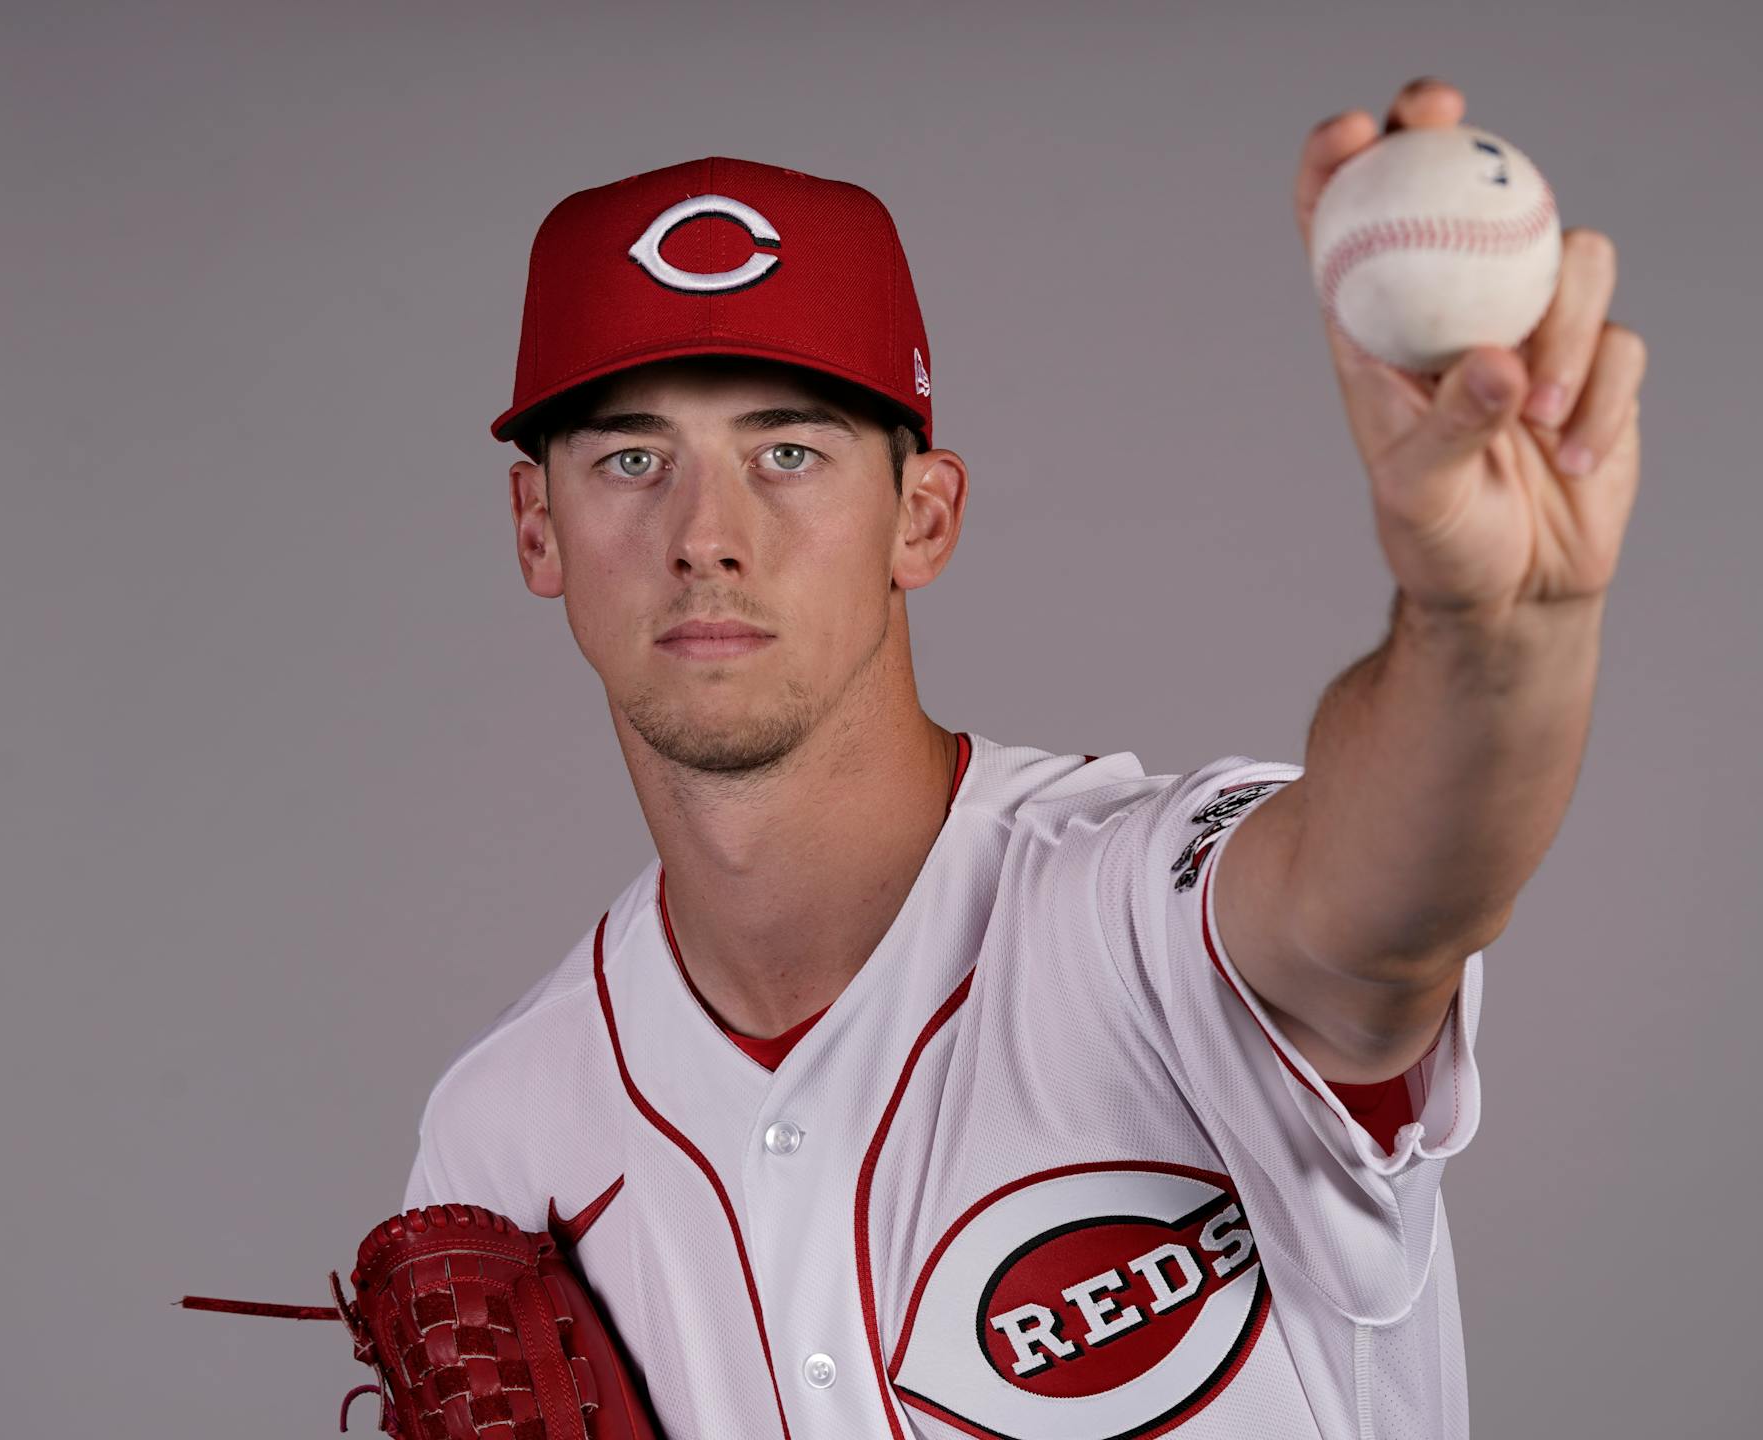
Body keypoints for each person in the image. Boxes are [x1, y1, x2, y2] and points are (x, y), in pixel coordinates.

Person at [405, 76, 1645, 1440]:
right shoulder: (504, 1133)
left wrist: (1492, 633)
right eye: (631, 460)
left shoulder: (1144, 919)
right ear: (537, 527)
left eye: (793, 452)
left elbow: (1385, 914)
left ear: (921, 520)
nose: (709, 532)